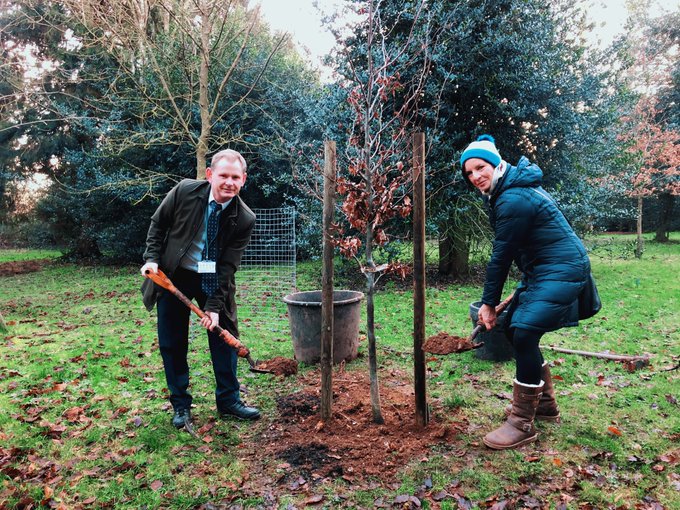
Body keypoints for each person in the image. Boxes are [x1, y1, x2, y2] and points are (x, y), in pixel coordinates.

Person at [460, 134, 591, 450]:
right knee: (515, 328)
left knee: (523, 332)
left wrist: (489, 303)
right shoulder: (507, 190)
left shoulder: (512, 198)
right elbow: (520, 246)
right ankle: (544, 404)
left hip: (563, 268)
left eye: (480, 167)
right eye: (469, 172)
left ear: (495, 164)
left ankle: (521, 423)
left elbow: (501, 255)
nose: (476, 176)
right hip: (544, 268)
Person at [140, 149, 260, 429]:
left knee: (224, 337)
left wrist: (215, 307)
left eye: (235, 177)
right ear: (210, 175)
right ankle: (181, 405)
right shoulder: (185, 191)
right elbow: (158, 224)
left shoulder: (244, 218)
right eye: (223, 175)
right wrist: (152, 259)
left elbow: (228, 265)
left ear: (243, 179)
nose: (229, 182)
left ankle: (229, 401)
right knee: (172, 341)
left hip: (214, 279)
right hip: (174, 274)